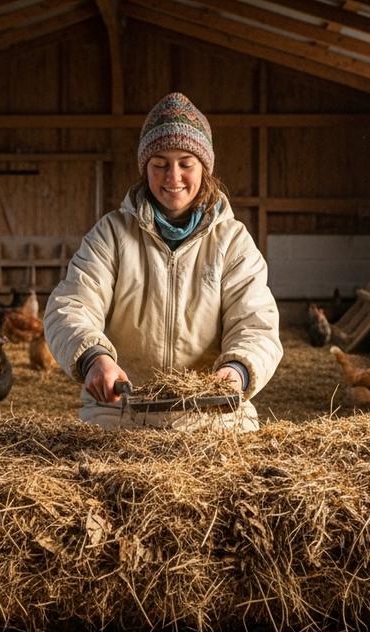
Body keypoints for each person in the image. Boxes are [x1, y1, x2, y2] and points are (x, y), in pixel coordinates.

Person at [44, 92, 282, 431]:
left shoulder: (232, 242)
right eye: (160, 164)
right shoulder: (111, 234)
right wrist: (94, 358)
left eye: (186, 163)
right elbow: (70, 306)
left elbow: (257, 323)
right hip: (120, 414)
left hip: (210, 418)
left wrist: (238, 371)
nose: (173, 178)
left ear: (205, 167)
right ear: (145, 168)